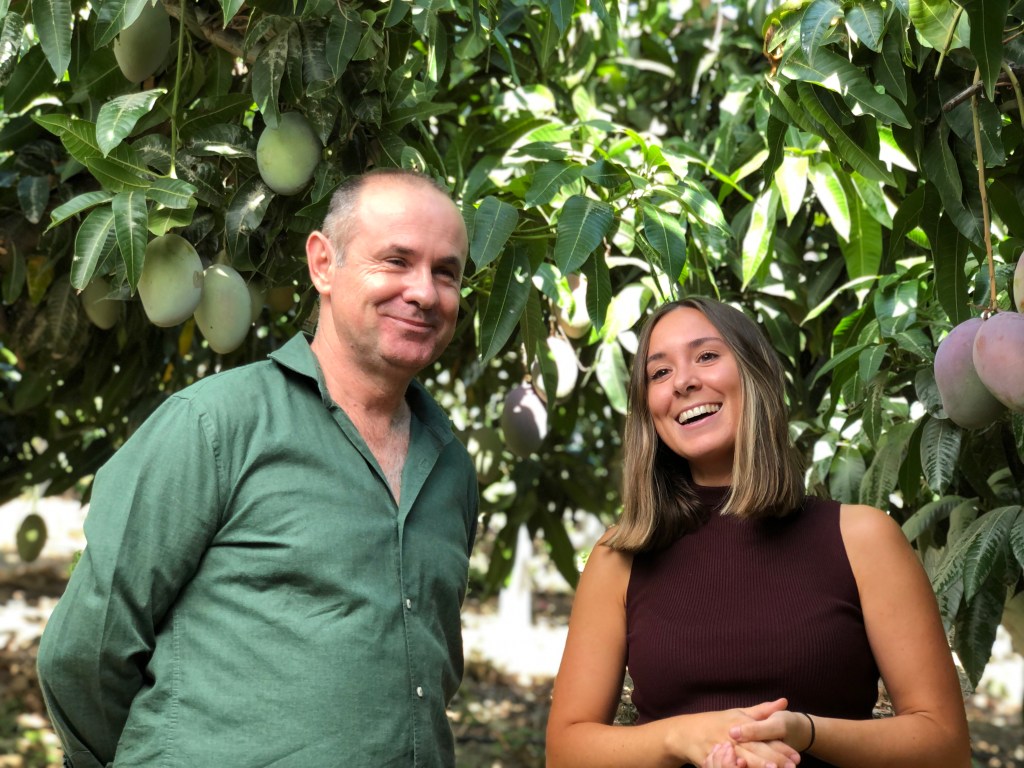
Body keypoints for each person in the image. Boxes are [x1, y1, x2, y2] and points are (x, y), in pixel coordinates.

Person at [36, 168, 480, 767]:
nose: (425, 293)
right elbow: (87, 654)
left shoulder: (450, 465)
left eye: (446, 272)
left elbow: (427, 667)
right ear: (323, 264)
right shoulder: (213, 426)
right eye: (396, 261)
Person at [545, 297, 971, 768]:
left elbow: (945, 744)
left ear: (756, 373)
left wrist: (804, 732)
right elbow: (566, 751)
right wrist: (681, 736)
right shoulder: (621, 554)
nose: (683, 381)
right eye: (659, 373)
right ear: (648, 409)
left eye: (707, 356)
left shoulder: (864, 538)